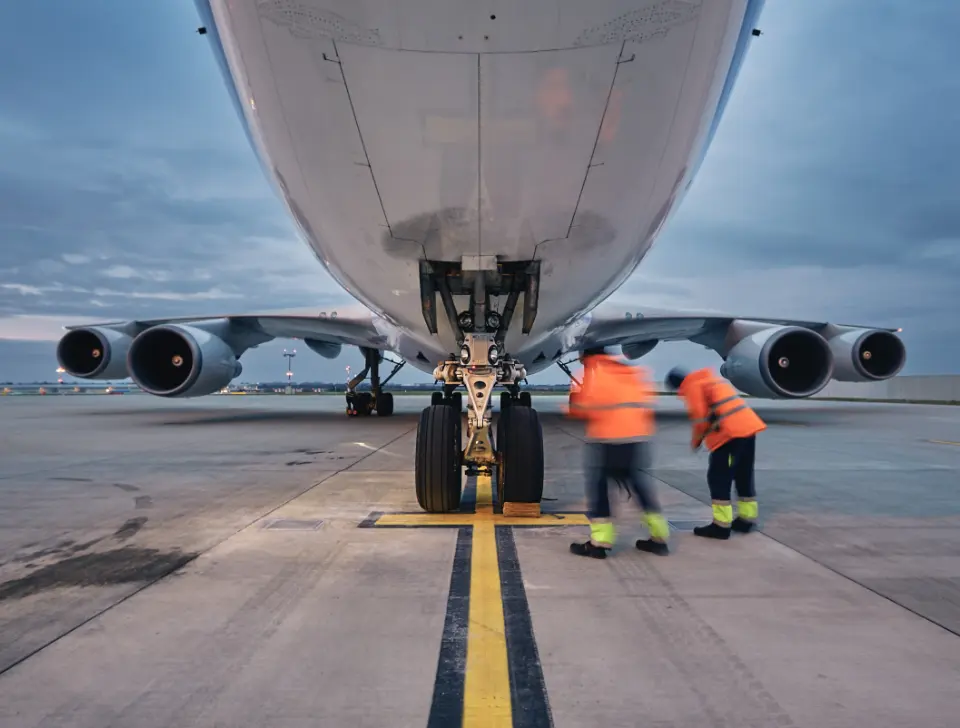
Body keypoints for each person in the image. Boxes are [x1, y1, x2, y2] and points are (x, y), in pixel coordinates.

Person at [566, 346, 670, 558]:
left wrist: (572, 407)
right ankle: (659, 538)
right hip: (637, 440)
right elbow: (647, 403)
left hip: (608, 440)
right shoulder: (632, 372)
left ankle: (599, 543)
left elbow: (582, 407)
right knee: (640, 488)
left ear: (587, 356)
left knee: (599, 490)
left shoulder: (592, 372)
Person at [665, 366, 767, 539]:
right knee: (743, 475)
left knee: (718, 478)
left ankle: (721, 526)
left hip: (730, 436)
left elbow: (700, 418)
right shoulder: (709, 379)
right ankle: (747, 520)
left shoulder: (692, 386)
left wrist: (695, 442)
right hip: (748, 429)